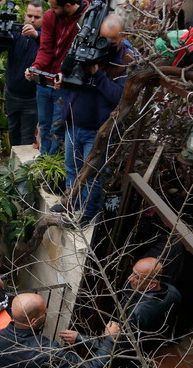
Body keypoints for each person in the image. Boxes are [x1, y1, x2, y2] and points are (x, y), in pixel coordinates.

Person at [64, 258, 179, 368]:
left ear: (152, 283)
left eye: (137, 277)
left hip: (122, 355)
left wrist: (81, 338)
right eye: (132, 272)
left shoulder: (138, 313)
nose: (130, 278)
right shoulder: (172, 293)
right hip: (139, 354)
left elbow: (116, 346)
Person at [53, 14, 137, 223]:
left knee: (92, 176)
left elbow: (119, 97)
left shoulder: (127, 60)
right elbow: (68, 71)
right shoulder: (88, 44)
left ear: (123, 36)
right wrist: (63, 79)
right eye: (102, 38)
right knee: (72, 169)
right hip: (75, 122)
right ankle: (72, 207)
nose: (105, 45)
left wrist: (97, 74)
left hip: (98, 130)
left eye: (112, 41)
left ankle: (88, 215)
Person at [24, 0, 88, 155]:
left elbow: (84, 57)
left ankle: (51, 165)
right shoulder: (50, 17)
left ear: (67, 6)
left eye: (54, 7)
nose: (50, 10)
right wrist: (35, 67)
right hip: (45, 81)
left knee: (57, 128)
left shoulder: (86, 20)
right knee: (44, 124)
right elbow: (45, 48)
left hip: (64, 86)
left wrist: (67, 74)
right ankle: (44, 159)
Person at [0, 0, 43, 146]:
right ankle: (14, 166)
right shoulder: (17, 33)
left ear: (44, 18)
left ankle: (24, 168)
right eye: (30, 16)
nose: (32, 20)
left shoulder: (45, 38)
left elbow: (52, 48)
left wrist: (36, 35)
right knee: (13, 132)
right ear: (24, 16)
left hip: (31, 99)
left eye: (37, 17)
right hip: (12, 96)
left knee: (27, 138)